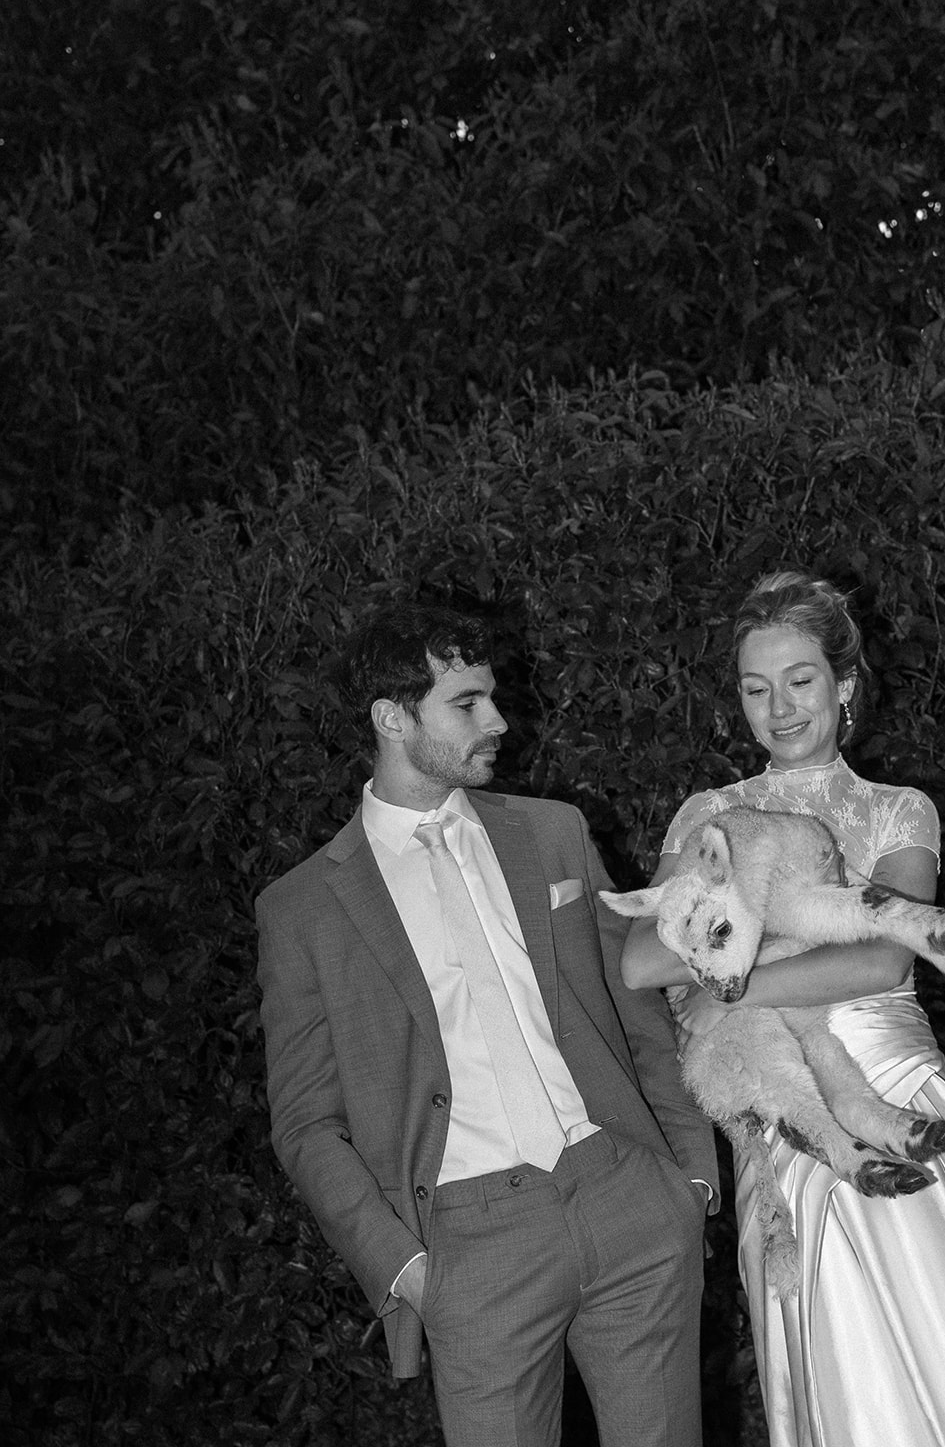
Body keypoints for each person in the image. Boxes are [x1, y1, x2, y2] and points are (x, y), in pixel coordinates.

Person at [621, 571, 945, 1447]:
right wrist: (730, 993)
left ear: (844, 686)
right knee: (838, 1356)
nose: (779, 708)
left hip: (897, 1084)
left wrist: (731, 987)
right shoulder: (712, 814)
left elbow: (882, 954)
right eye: (756, 688)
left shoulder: (898, 811)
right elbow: (641, 959)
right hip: (783, 1103)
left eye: (800, 681)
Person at [256, 601, 717, 1447]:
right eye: (465, 704)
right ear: (392, 719)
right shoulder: (305, 909)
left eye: (492, 697)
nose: (497, 721)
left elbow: (632, 1007)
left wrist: (688, 1176)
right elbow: (306, 1125)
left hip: (626, 1200)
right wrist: (408, 1269)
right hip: (472, 1247)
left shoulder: (552, 832)